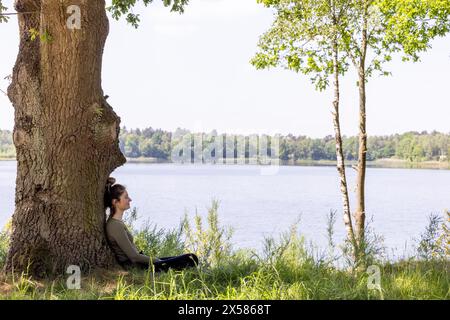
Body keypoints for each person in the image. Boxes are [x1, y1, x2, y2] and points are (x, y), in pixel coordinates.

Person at [104, 177, 199, 272]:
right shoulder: (115, 226)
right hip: (137, 266)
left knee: (185, 258)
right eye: (126, 197)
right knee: (191, 258)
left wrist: (157, 260)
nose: (130, 199)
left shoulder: (116, 223)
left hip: (140, 263)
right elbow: (134, 257)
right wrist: (157, 261)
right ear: (115, 202)